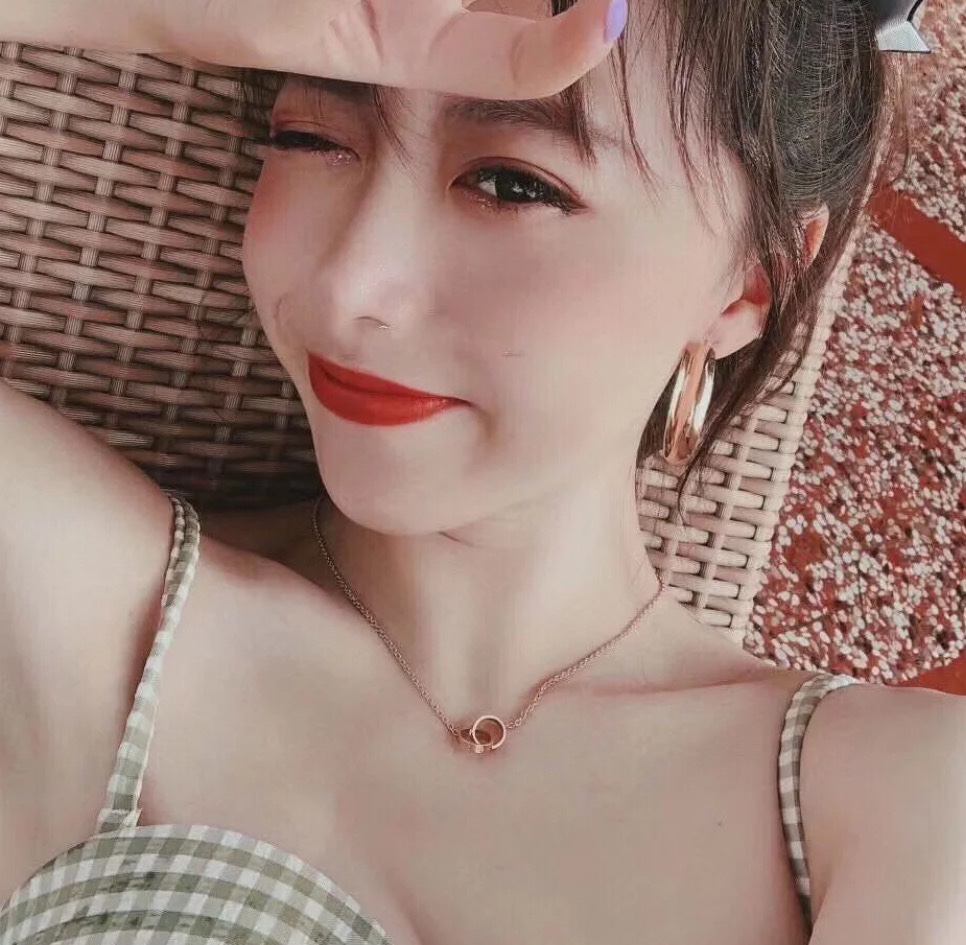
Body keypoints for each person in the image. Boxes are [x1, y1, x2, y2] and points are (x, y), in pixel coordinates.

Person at [0, 1, 962, 943]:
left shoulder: (891, 801)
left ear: (751, 281)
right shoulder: (69, 603)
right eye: (310, 136)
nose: (348, 285)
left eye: (512, 184)